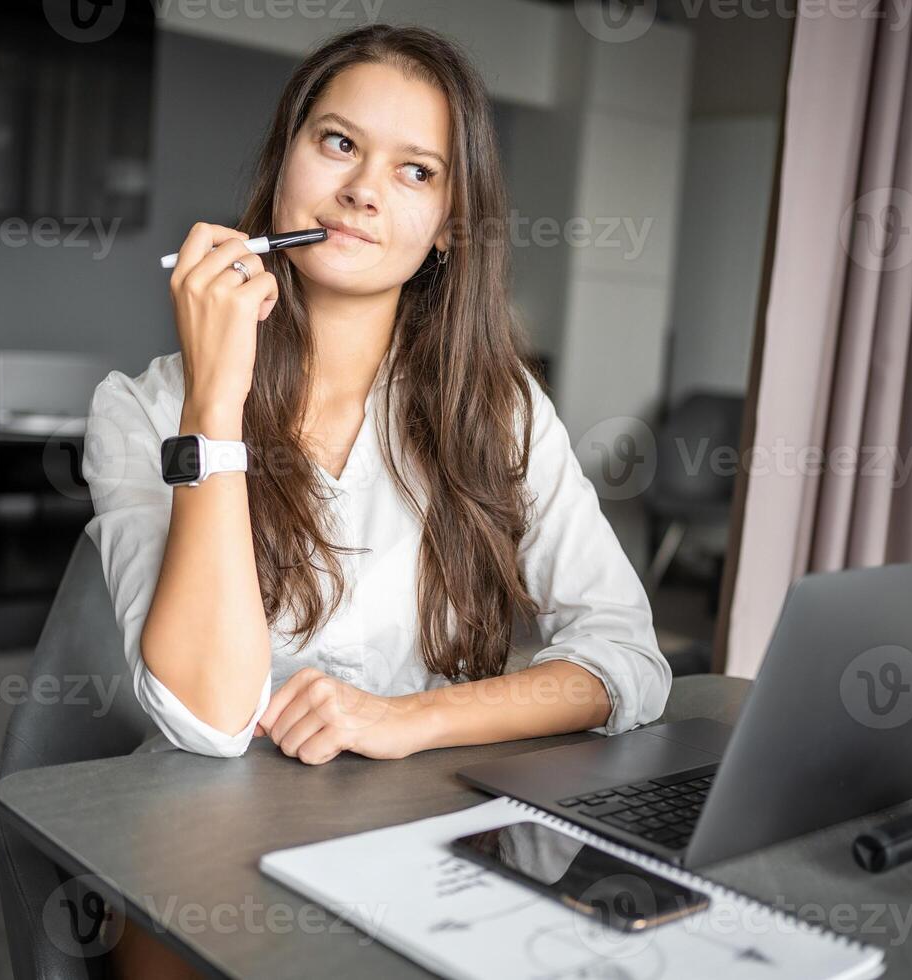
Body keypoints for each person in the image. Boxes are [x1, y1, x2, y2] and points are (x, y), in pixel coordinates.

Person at [81, 23, 671, 975]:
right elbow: (207, 718)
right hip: (204, 845)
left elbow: (628, 660)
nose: (362, 190)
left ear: (447, 226)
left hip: (425, 824)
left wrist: (403, 720)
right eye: (340, 143)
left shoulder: (503, 410)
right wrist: (214, 405)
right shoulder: (142, 410)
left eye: (417, 171)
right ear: (285, 164)